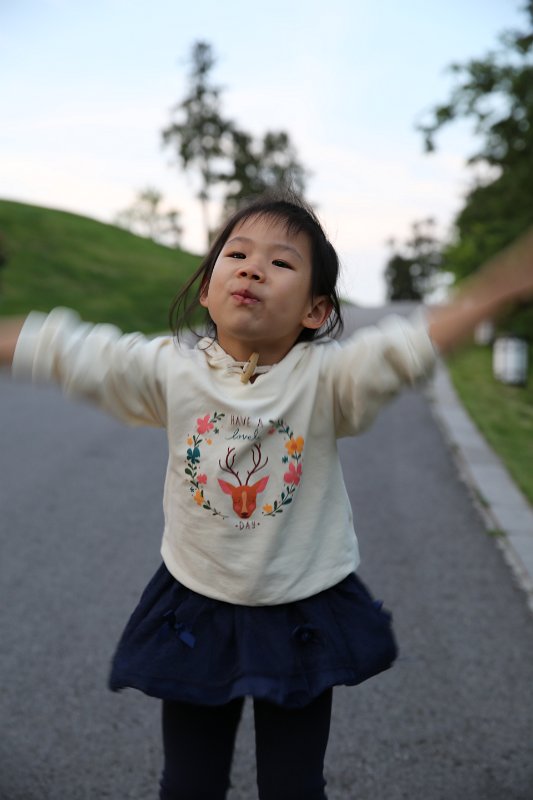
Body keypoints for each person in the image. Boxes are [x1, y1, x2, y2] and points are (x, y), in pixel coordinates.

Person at [0, 192, 532, 800]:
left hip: (301, 607)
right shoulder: (171, 371)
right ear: (207, 290)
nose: (253, 269)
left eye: (280, 263)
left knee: (294, 786)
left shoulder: (327, 380)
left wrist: (501, 287)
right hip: (196, 604)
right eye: (237, 255)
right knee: (189, 784)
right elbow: (69, 350)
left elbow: (407, 349)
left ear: (315, 309)